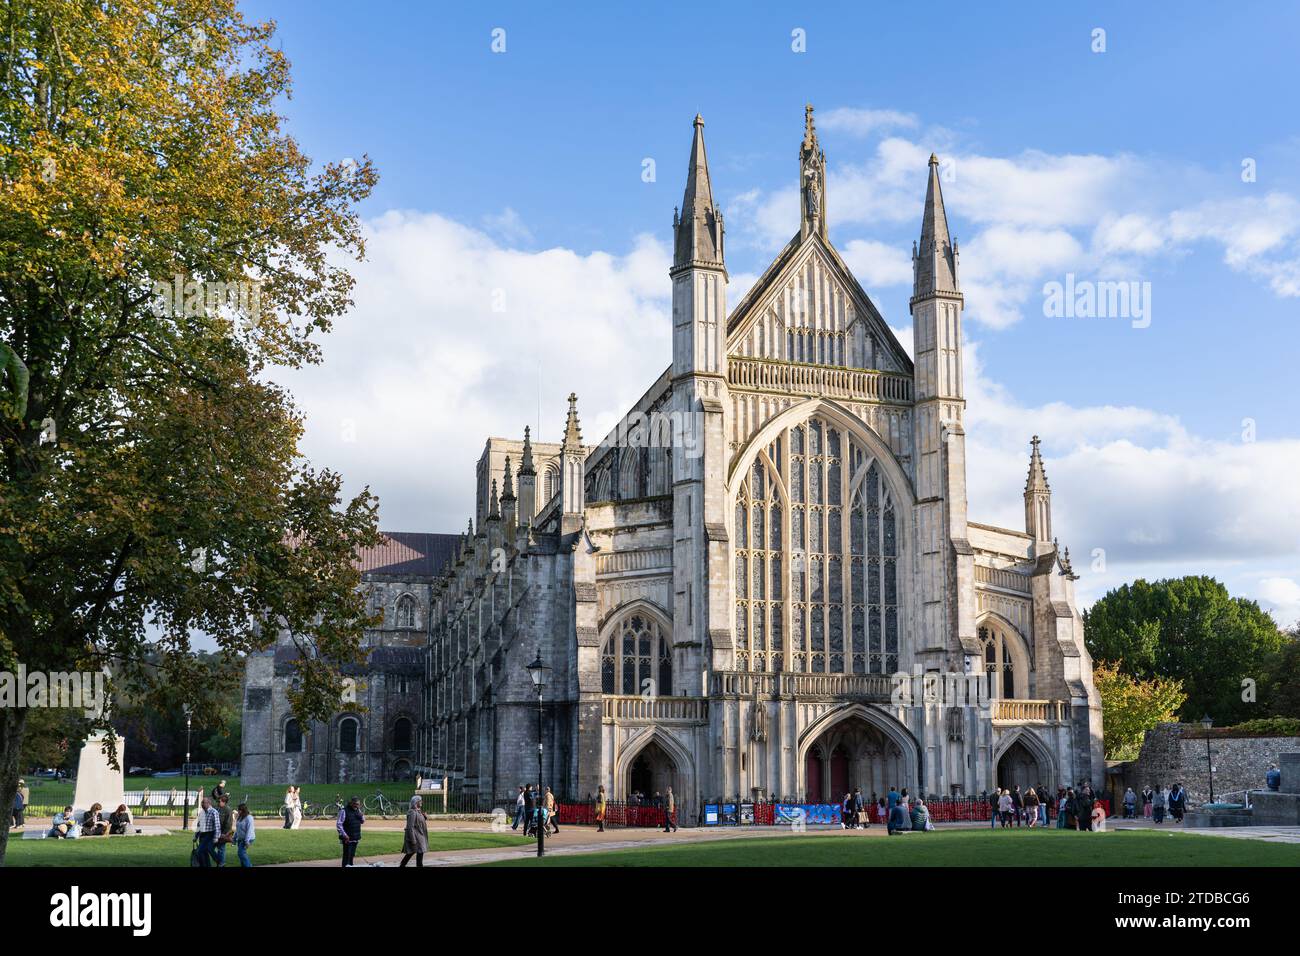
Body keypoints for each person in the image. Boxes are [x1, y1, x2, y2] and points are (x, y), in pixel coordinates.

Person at [400, 795, 428, 867]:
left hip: (419, 836)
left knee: (416, 852)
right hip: (416, 836)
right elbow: (410, 827)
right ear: (416, 802)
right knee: (412, 852)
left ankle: (402, 865)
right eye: (420, 801)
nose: (421, 802)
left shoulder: (418, 811)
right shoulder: (412, 812)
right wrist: (413, 840)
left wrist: (424, 817)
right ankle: (402, 865)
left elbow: (418, 822)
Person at [337, 796, 365, 867]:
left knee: (352, 855)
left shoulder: (358, 810)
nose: (357, 806)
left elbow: (362, 821)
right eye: (355, 804)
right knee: (347, 856)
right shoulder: (344, 811)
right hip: (347, 837)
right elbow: (339, 824)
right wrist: (344, 835)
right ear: (351, 803)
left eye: (358, 804)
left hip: (355, 836)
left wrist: (361, 816)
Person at [193, 797, 220, 866]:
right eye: (202, 802)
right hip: (202, 834)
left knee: (200, 851)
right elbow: (199, 826)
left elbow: (217, 826)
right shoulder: (202, 813)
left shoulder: (214, 812)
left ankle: (219, 861)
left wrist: (216, 838)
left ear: (208, 803)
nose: (202, 804)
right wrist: (196, 836)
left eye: (203, 802)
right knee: (204, 851)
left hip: (210, 834)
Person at [214, 794, 235, 866]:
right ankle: (220, 862)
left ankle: (221, 863)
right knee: (210, 848)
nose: (218, 803)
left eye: (219, 801)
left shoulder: (228, 810)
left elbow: (228, 823)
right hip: (216, 832)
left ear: (224, 802)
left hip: (223, 833)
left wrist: (224, 833)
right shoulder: (217, 808)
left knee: (221, 848)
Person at [235, 803, 255, 867]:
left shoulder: (249, 818)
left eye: (239, 810)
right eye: (238, 810)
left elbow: (250, 830)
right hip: (240, 839)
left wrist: (247, 841)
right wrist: (234, 838)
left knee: (241, 853)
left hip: (248, 838)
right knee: (241, 855)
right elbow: (238, 829)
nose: (238, 811)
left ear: (243, 810)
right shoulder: (240, 817)